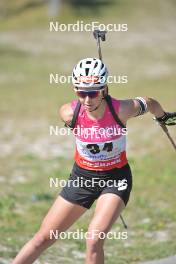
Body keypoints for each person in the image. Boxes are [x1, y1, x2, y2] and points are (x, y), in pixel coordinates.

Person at [12, 58, 176, 264]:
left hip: (115, 180)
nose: (87, 99)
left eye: (93, 92)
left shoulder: (122, 109)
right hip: (82, 178)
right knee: (44, 237)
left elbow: (150, 103)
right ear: (75, 90)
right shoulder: (68, 113)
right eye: (82, 92)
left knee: (93, 239)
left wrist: (164, 117)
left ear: (104, 89)